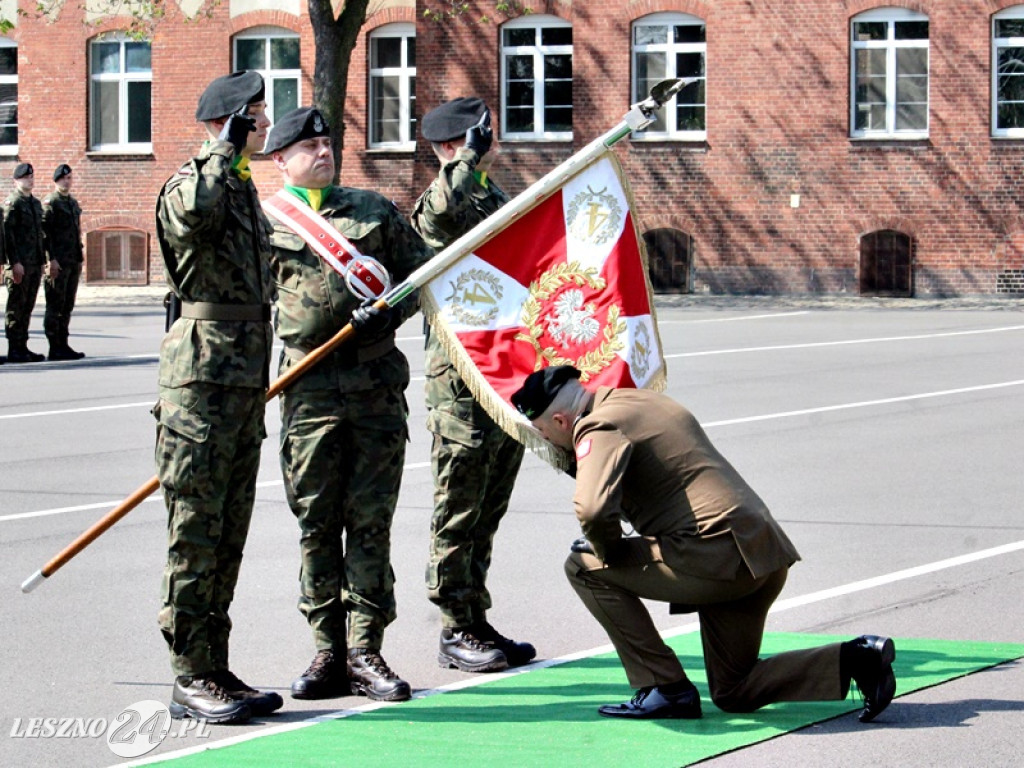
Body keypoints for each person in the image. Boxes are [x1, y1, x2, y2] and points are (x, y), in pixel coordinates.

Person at [511, 365, 898, 722]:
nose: (549, 442)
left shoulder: (597, 426)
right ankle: (858, 658)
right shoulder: (639, 400)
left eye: (545, 433)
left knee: (582, 567)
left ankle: (665, 687)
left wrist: (607, 550)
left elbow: (593, 509)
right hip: (760, 553)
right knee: (734, 690)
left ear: (560, 420)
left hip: (715, 558)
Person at [263, 107, 433, 703]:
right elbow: (254, 310)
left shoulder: (373, 210)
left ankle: (366, 650)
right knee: (315, 523)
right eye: (308, 146)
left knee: (369, 524)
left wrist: (388, 308)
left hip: (374, 387)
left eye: (326, 141)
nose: (323, 151)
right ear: (279, 160)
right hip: (307, 394)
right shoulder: (266, 222)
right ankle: (326, 651)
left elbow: (419, 276)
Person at [153, 70, 280, 725]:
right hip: (199, 387)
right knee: (194, 536)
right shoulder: (191, 183)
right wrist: (219, 150)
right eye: (253, 115)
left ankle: (214, 662)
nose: (263, 124)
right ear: (225, 121)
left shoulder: (243, 189)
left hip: (242, 385)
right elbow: (191, 218)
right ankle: (187, 675)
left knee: (228, 535)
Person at [410, 97, 535, 673]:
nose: (488, 142)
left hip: (505, 371)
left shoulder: (490, 194)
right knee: (459, 503)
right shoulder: (441, 196)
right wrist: (461, 164)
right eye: (474, 137)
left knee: (489, 504)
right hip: (460, 378)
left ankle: (476, 616)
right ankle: (454, 626)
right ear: (448, 146)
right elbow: (434, 220)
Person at [41, 164, 86, 361]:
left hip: (72, 260)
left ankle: (63, 343)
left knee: (67, 304)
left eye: (69, 178)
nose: (67, 182)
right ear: (56, 180)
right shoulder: (52, 203)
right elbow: (45, 234)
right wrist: (51, 259)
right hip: (58, 261)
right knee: (55, 304)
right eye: (63, 179)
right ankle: (54, 345)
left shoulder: (72, 203)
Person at [3, 163, 46, 363]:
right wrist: (15, 262)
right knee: (15, 308)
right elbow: (8, 236)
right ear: (16, 180)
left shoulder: (35, 204)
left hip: (34, 263)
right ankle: (14, 348)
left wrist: (42, 260)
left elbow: (40, 235)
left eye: (31, 176)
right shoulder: (14, 203)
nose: (29, 179)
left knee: (27, 307)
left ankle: (23, 346)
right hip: (20, 263)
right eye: (25, 177)